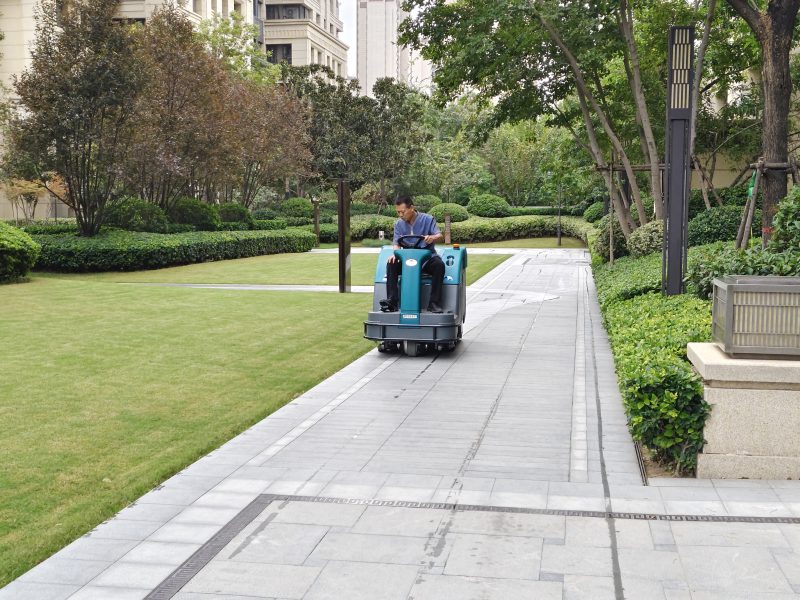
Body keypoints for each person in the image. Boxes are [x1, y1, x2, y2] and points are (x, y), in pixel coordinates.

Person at [380, 195, 445, 313]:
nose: (400, 215)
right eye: (398, 212)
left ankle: (434, 303)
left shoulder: (428, 219)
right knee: (391, 263)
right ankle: (392, 301)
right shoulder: (399, 224)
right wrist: (396, 254)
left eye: (402, 212)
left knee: (439, 265)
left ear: (412, 208)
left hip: (426, 258)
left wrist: (432, 237)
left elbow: (439, 235)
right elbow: (396, 243)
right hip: (407, 258)